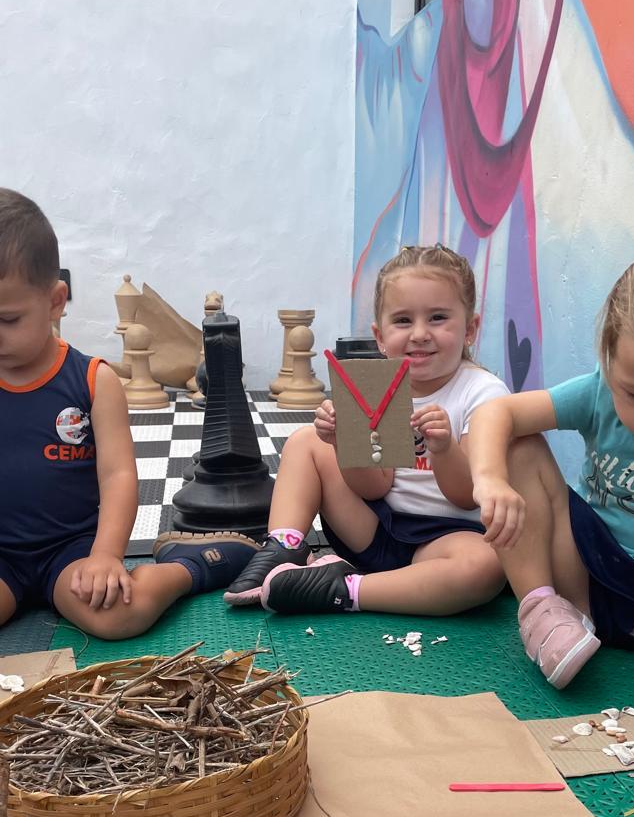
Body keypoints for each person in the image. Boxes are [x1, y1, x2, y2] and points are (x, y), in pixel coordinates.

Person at [467, 244, 634, 716]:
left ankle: (624, 633)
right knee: (519, 445)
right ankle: (544, 612)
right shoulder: (596, 393)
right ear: (607, 360)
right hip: (586, 573)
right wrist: (489, 480)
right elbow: (494, 413)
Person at [0, 188, 258, 639]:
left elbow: (118, 476)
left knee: (119, 615)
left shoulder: (93, 380)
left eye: (7, 320)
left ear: (56, 301)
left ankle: (194, 564)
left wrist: (106, 555)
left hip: (73, 551)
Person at [225, 244, 507, 616]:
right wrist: (342, 443)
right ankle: (283, 547)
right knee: (306, 442)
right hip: (377, 530)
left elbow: (468, 497)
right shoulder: (377, 386)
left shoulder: (483, 394)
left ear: (470, 329)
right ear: (380, 336)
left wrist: (444, 450)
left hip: (447, 541)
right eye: (403, 321)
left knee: (485, 566)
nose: (419, 333)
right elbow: (374, 486)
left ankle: (342, 590)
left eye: (438, 317)